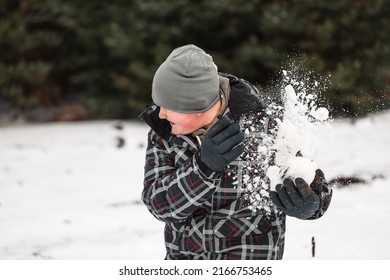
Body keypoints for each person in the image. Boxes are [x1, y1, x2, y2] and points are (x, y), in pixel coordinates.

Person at [139, 44, 332, 260]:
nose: (161, 114)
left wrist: (312, 205)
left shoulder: (270, 126)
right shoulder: (163, 133)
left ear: (195, 104)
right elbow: (158, 206)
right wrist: (202, 169)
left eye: (168, 105)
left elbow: (316, 188)